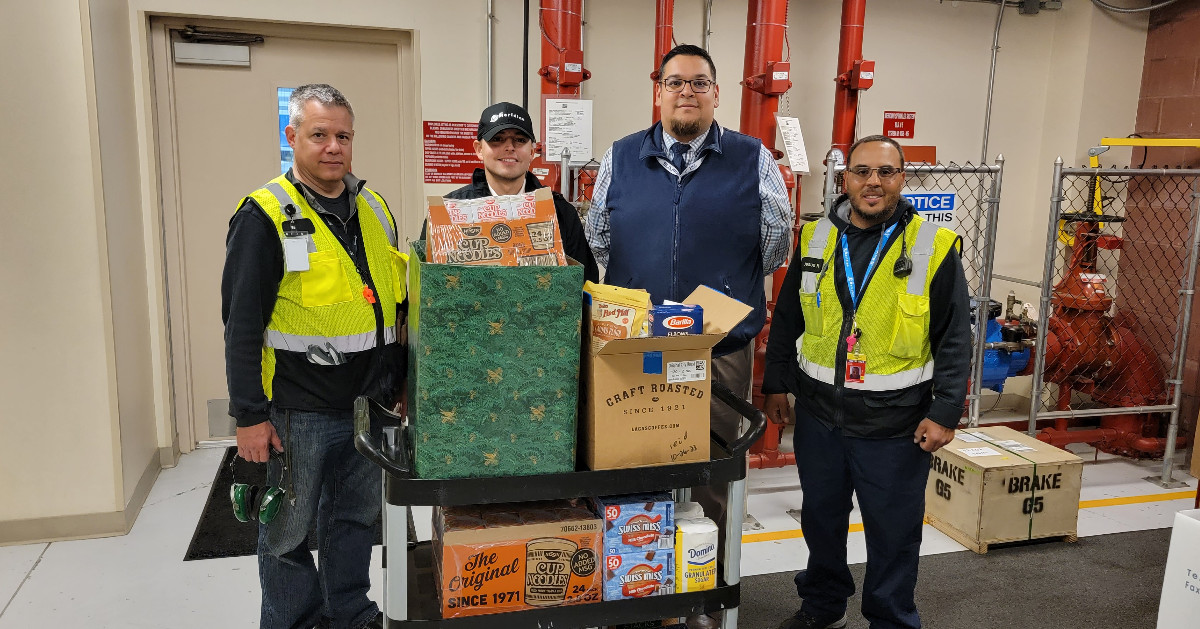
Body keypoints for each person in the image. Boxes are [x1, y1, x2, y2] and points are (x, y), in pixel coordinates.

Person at [762, 135, 971, 629]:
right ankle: (823, 605)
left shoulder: (932, 247)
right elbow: (787, 317)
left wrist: (945, 412)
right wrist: (776, 384)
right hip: (819, 418)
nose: (872, 182)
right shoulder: (814, 238)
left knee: (893, 535)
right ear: (845, 179)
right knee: (821, 523)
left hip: (895, 424)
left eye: (885, 172)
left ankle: (892, 620)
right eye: (861, 172)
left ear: (901, 179)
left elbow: (955, 337)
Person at [223, 83, 404, 629]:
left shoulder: (373, 206)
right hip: (299, 410)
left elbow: (391, 304)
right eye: (319, 134)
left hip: (368, 407)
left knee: (354, 522)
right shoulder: (264, 215)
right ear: (292, 136)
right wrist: (249, 416)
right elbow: (242, 323)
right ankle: (296, 623)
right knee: (287, 534)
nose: (333, 147)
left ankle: (349, 614)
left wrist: (399, 383)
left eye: (342, 136)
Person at [584, 42, 793, 451]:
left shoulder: (752, 158)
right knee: (637, 460)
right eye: (675, 82)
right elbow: (600, 237)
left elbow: (775, 241)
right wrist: (636, 279)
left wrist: (731, 283)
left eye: (700, 83)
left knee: (712, 466)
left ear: (716, 94)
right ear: (658, 92)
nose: (687, 92)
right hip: (637, 343)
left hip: (720, 346)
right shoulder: (620, 157)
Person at [424, 101, 598, 282]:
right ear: (478, 149)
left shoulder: (561, 214)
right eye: (497, 139)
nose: (509, 147)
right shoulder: (446, 214)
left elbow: (585, 286)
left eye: (520, 140)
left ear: (532, 151)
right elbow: (428, 287)